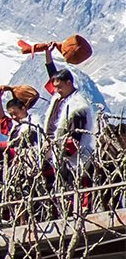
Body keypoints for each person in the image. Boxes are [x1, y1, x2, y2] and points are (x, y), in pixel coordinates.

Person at [42, 50, 97, 191]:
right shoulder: (59, 96)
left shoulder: (77, 106)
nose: (57, 90)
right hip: (51, 145)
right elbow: (53, 77)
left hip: (68, 153)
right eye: (56, 87)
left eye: (59, 87)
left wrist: (59, 149)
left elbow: (74, 136)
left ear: (69, 83)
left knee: (65, 184)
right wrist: (48, 58)